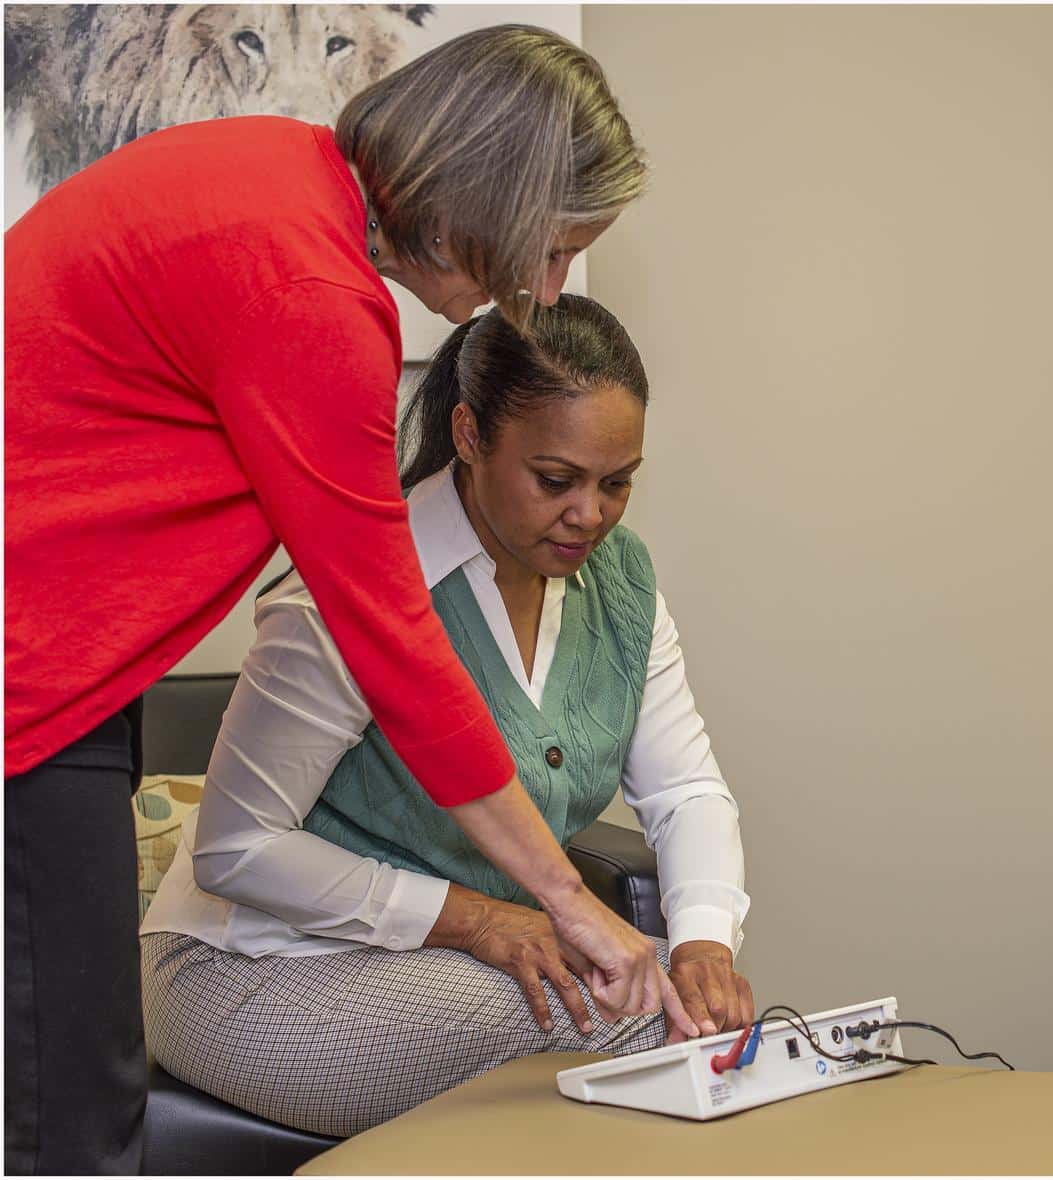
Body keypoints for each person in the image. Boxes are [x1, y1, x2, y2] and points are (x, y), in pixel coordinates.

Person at [3, 26, 692, 1174]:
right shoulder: (311, 292)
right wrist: (565, 900)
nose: (544, 290)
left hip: (63, 669)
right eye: (555, 247)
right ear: (494, 191)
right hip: (30, 678)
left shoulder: (271, 175)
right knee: (71, 1122)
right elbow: (392, 642)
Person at [139, 294, 753, 1136]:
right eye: (556, 480)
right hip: (253, 970)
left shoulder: (623, 583)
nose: (591, 515)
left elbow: (686, 789)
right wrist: (481, 921)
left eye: (618, 484)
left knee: (692, 1005)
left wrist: (705, 942)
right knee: (654, 1024)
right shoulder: (354, 586)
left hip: (467, 964)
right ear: (469, 437)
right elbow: (237, 852)